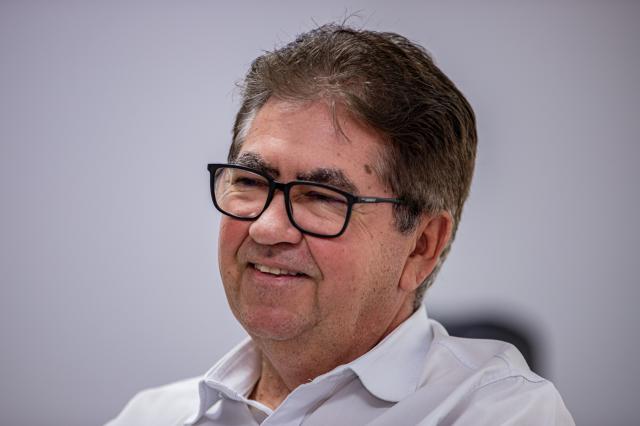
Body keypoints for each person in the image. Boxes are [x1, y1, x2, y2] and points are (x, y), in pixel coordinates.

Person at [107, 24, 574, 425]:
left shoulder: (498, 410)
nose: (266, 228)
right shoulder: (153, 415)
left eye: (321, 197)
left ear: (421, 246)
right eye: (250, 181)